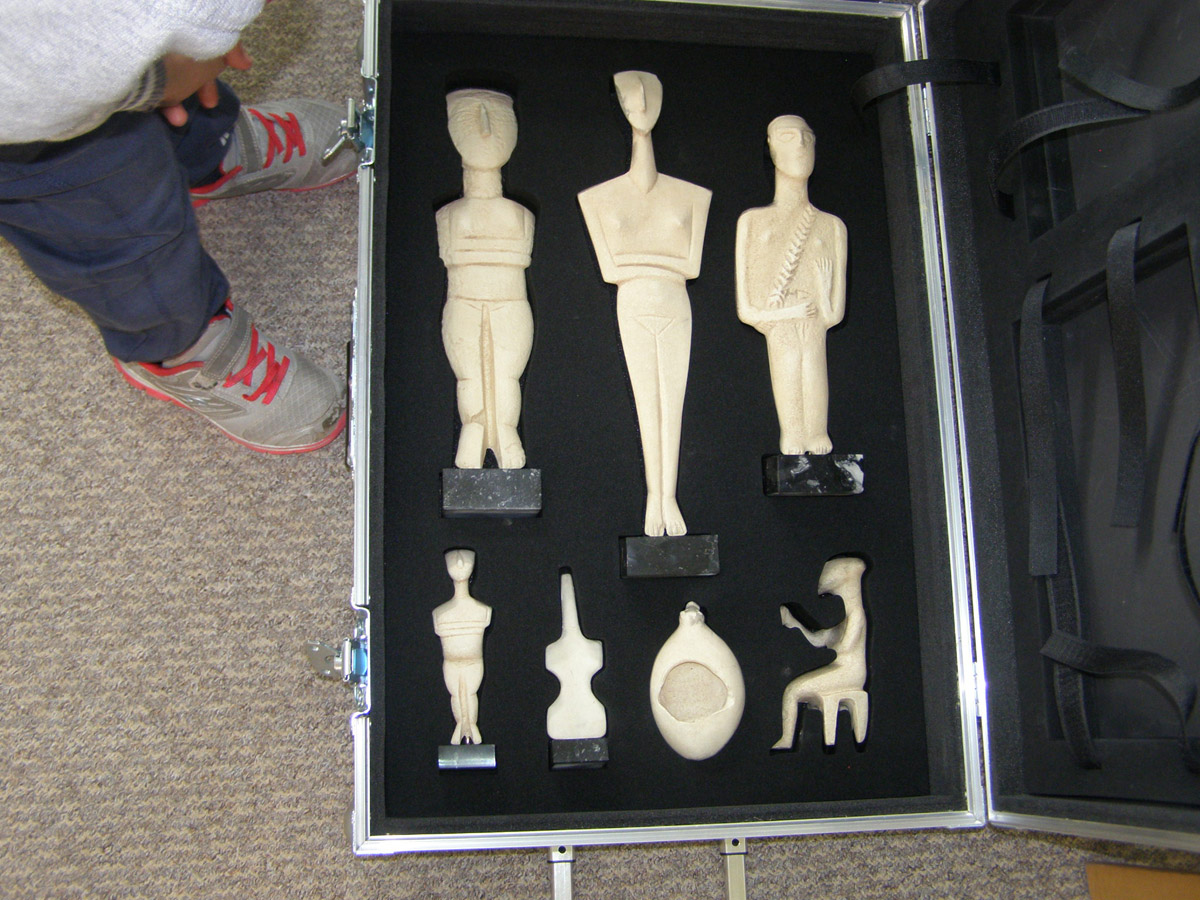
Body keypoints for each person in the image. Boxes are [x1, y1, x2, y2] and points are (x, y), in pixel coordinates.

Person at [0, 0, 358, 454]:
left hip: (98, 32)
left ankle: (205, 149)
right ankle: (174, 345)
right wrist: (165, 70)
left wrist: (189, 52)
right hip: (20, 110)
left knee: (176, 78)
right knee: (112, 230)